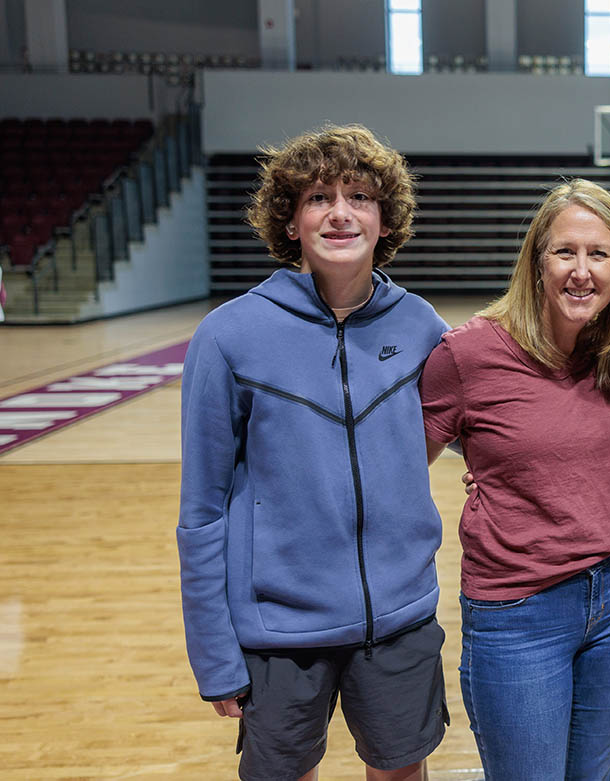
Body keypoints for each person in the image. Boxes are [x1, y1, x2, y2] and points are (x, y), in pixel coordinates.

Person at [177, 124, 449, 781]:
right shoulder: (229, 335)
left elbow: (488, 429)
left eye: (359, 195)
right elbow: (202, 510)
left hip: (399, 618)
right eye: (318, 197)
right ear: (290, 222)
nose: (339, 212)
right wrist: (214, 651)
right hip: (279, 630)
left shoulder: (421, 327)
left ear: (385, 219)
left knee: (399, 771)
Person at [420, 179, 610, 780]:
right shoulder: (467, 355)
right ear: (535, 260)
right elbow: (398, 472)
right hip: (520, 614)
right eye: (564, 252)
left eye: (599, 254)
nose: (581, 270)